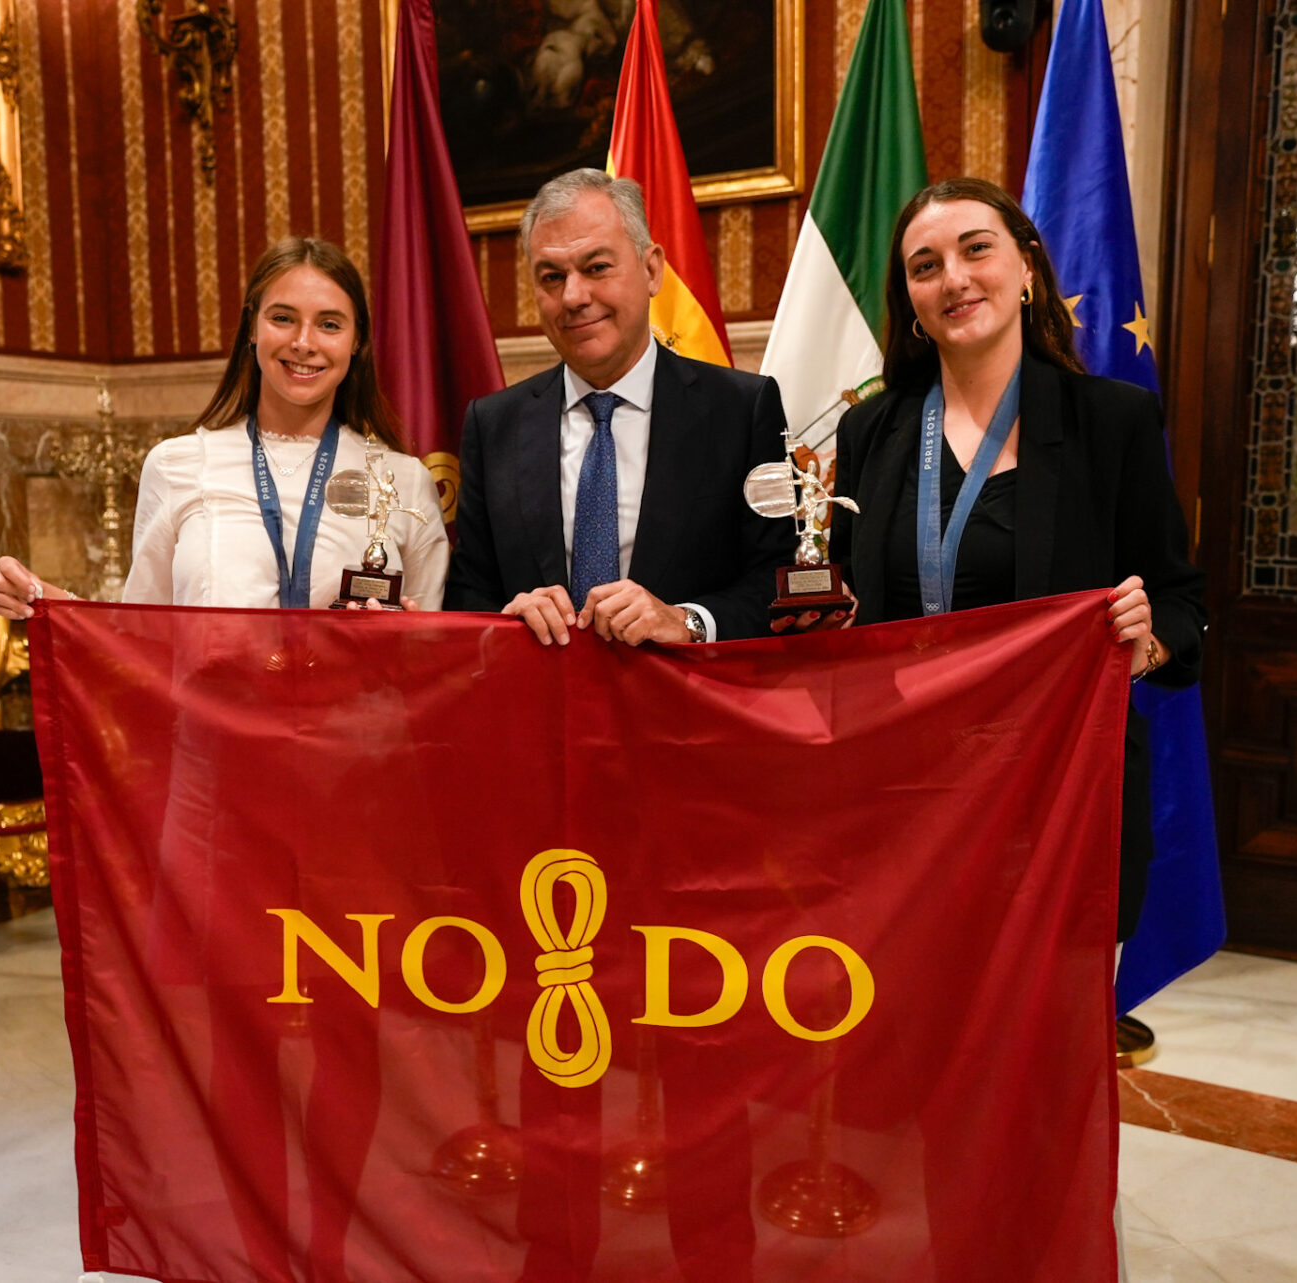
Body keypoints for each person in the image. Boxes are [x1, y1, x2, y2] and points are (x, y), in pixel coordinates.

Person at [825, 176, 1207, 943]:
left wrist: (1148, 642)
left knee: (1047, 1045)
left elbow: (1180, 602)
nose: (954, 279)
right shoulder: (870, 431)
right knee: (910, 1040)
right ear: (910, 302)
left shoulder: (1111, 423)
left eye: (976, 250)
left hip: (1060, 798)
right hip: (904, 800)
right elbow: (843, 608)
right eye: (925, 265)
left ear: (1027, 268)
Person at [0, 238, 448, 617]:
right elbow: (138, 632)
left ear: (357, 341)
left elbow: (434, 660)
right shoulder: (177, 465)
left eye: (329, 324)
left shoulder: (403, 481)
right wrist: (42, 600)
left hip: (354, 728)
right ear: (252, 327)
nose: (304, 343)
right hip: (214, 728)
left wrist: (402, 640)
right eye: (283, 318)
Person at [442, 168, 792, 643]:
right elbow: (468, 591)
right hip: (546, 706)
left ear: (651, 270)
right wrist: (507, 616)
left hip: (692, 705)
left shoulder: (743, 409)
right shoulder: (493, 423)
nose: (574, 296)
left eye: (596, 267)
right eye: (552, 277)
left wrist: (687, 621)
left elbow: (779, 580)